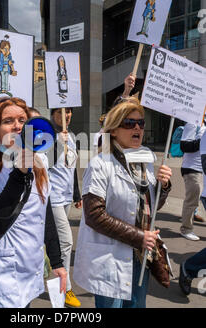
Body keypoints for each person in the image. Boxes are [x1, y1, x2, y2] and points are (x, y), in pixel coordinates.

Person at [0, 97, 66, 308]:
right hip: (1, 273)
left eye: (22, 119)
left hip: (31, 269)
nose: (17, 126)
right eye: (8, 121)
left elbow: (44, 215)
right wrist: (19, 174)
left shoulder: (39, 164)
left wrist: (57, 262)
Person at [73, 97, 172, 308]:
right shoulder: (100, 164)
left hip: (140, 256)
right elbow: (94, 215)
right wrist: (139, 236)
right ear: (114, 130)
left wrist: (163, 187)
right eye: (129, 123)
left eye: (141, 123)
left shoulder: (145, 161)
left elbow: (150, 209)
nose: (137, 127)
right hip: (110, 256)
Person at [47, 107, 82, 307]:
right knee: (66, 242)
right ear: (53, 114)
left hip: (66, 196)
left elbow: (71, 167)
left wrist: (76, 193)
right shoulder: (47, 134)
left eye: (69, 111)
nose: (67, 114)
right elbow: (45, 164)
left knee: (56, 240)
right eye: (62, 111)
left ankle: (46, 262)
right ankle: (65, 288)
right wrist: (58, 143)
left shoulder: (73, 135)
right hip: (52, 197)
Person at [179, 122, 206, 240]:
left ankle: (190, 219)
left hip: (202, 170)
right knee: (192, 201)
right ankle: (186, 229)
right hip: (192, 168)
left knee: (197, 199)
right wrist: (202, 141)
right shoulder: (193, 123)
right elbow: (184, 146)